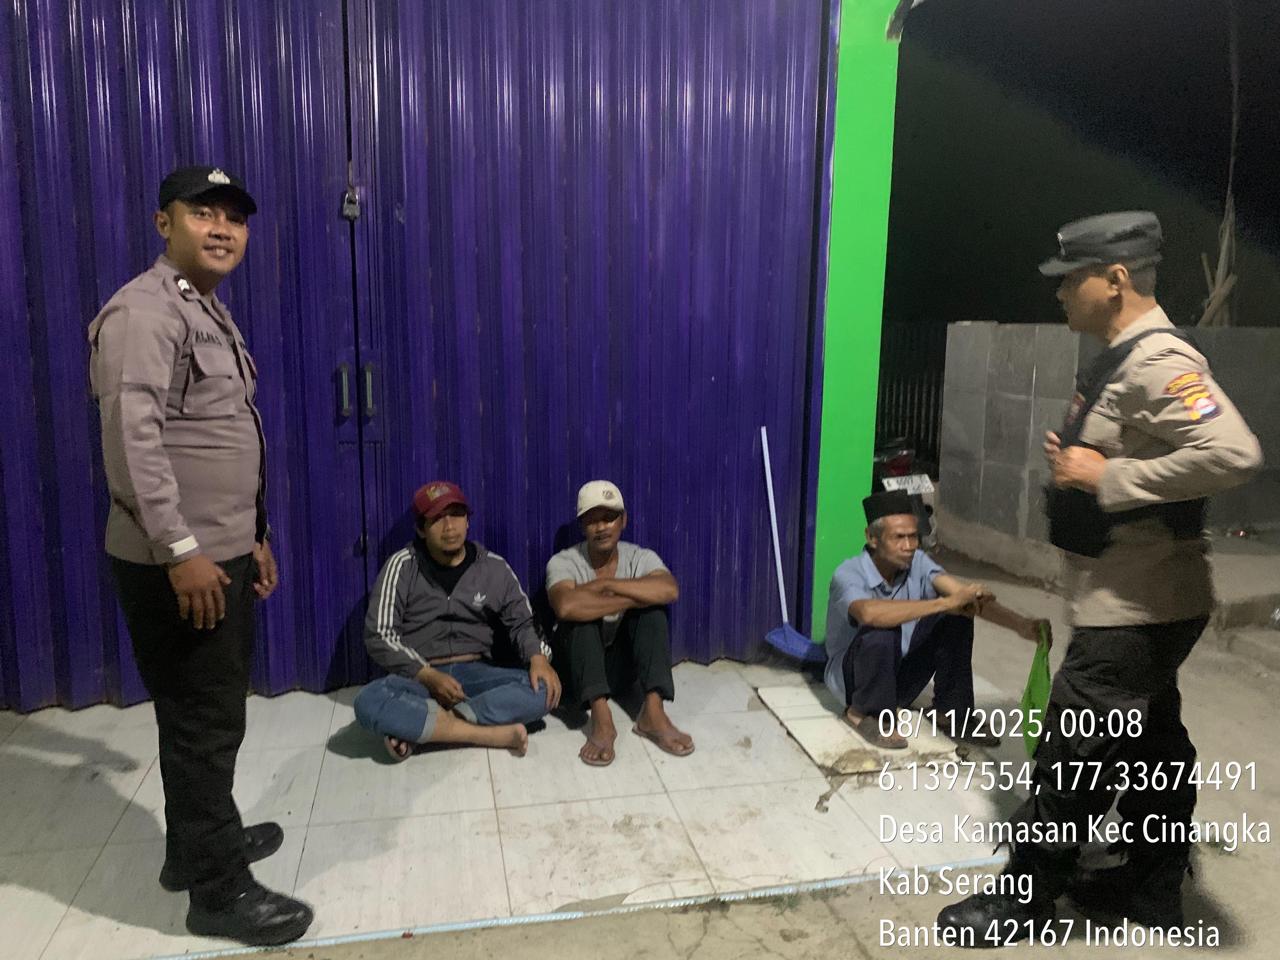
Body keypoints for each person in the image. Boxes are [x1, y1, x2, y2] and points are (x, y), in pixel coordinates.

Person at [938, 211, 1262, 945]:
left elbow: (1234, 453)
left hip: (1137, 609)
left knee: (1072, 758)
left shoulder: (1159, 361)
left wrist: (1106, 477)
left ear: (1115, 280)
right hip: (1138, 601)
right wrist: (1079, 463)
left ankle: (1024, 901)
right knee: (1152, 750)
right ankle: (1149, 887)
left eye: (1070, 280)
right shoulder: (1121, 356)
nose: (1059, 294)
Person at [89, 166, 313, 945]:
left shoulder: (204, 310)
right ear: (164, 223)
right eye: (203, 213)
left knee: (200, 714)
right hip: (179, 562)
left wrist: (252, 536)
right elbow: (133, 443)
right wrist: (181, 550)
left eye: (235, 219)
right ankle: (218, 892)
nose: (222, 229)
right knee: (204, 724)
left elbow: (214, 437)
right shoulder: (143, 312)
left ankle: (194, 847)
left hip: (218, 550)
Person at [353, 481, 560, 760]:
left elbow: (523, 622)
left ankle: (427, 727)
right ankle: (485, 734)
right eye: (437, 518)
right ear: (421, 529)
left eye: (456, 515)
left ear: (467, 521)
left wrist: (538, 658)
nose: (449, 526)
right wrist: (427, 675)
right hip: (420, 678)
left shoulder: (493, 567)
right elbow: (379, 634)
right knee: (368, 701)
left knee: (544, 689)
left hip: (476, 675)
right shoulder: (402, 566)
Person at [825, 491, 1017, 751]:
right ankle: (862, 714)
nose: (909, 545)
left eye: (913, 536)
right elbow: (868, 614)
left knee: (957, 616)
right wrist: (943, 603)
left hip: (897, 674)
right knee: (882, 628)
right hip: (856, 682)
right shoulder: (848, 573)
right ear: (872, 538)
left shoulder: (917, 562)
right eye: (898, 537)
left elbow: (961, 595)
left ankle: (950, 713)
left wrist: (1023, 626)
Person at [547, 481, 693, 766]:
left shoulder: (639, 556)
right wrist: (635, 595)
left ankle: (653, 712)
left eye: (609, 518)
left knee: (653, 612)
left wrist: (607, 586)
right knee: (580, 619)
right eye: (592, 520)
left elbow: (669, 590)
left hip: (620, 670)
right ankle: (601, 718)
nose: (602, 527)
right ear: (582, 526)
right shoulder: (564, 561)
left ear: (623, 520)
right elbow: (566, 606)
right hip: (578, 672)